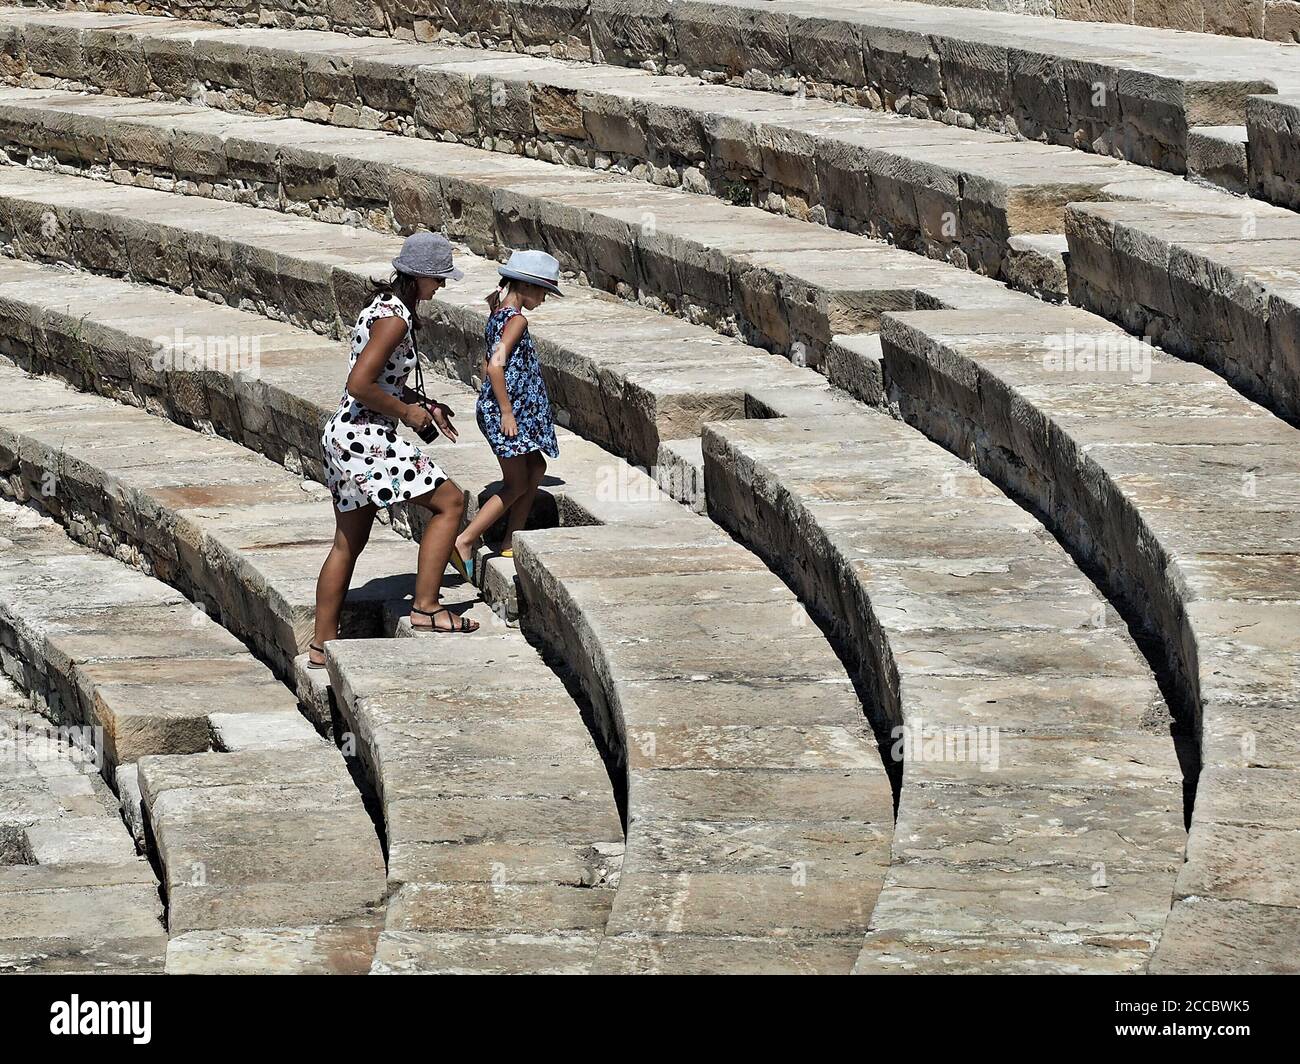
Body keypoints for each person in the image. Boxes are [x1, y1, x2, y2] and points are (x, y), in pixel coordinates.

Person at [309, 231, 479, 668]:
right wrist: (406, 413)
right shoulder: (395, 319)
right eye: (438, 279)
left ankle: (320, 647)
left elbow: (381, 380)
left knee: (348, 543)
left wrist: (426, 405)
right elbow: (359, 384)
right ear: (419, 275)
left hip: (344, 435)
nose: (440, 287)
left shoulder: (384, 307)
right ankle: (426, 607)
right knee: (451, 501)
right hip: (365, 437)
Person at [452, 250, 562, 577]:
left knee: (536, 466)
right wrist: (506, 412)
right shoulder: (516, 319)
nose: (543, 298)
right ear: (525, 286)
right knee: (515, 483)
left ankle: (512, 540)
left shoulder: (499, 311)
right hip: (506, 410)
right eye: (543, 291)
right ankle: (466, 539)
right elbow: (495, 366)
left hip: (505, 406)